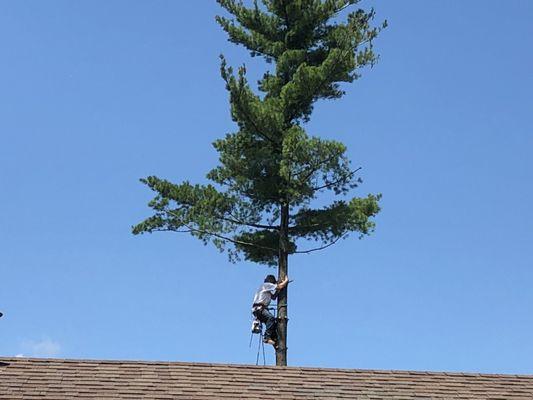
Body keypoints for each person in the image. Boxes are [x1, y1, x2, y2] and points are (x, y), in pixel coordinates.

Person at [252, 274, 289, 347]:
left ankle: (274, 341)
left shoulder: (267, 290)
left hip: (259, 310)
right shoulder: (265, 285)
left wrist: (279, 288)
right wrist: (285, 281)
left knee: (273, 324)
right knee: (271, 318)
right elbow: (279, 286)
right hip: (259, 309)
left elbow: (274, 297)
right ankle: (266, 337)